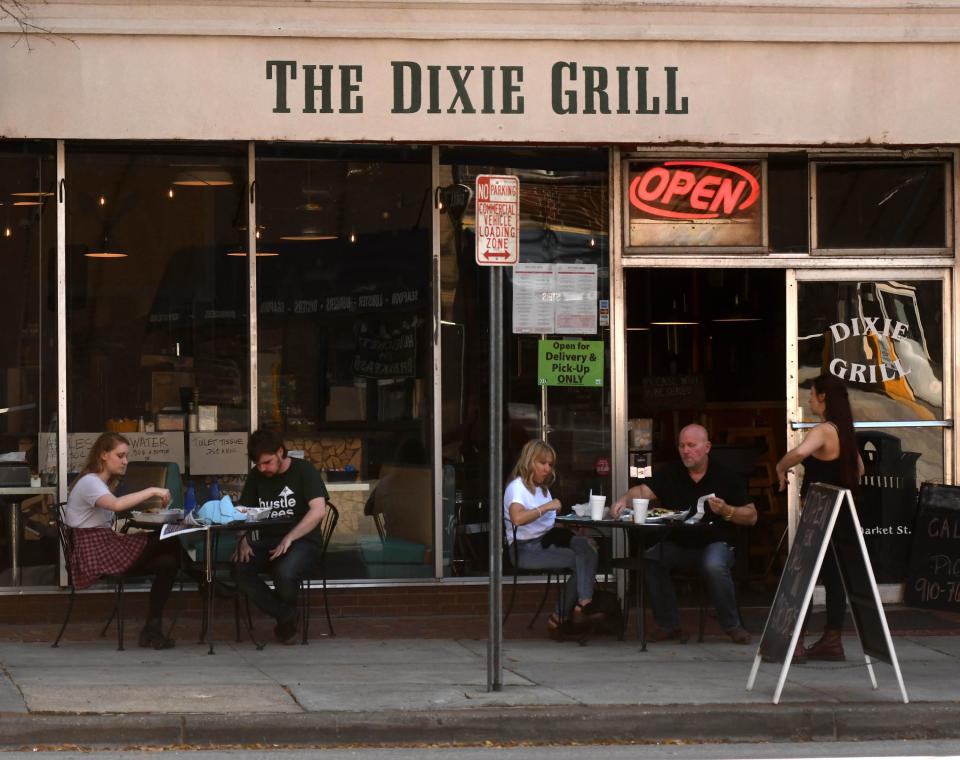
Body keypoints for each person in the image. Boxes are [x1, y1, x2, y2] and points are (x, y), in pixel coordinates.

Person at [611, 424, 757, 644]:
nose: (685, 451)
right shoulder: (671, 472)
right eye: (681, 445)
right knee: (652, 559)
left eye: (691, 445)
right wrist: (623, 500)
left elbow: (752, 516)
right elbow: (642, 491)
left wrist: (728, 510)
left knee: (714, 565)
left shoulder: (725, 475)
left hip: (716, 543)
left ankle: (732, 626)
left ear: (707, 447)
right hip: (679, 544)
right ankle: (668, 625)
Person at [64, 432, 184, 649]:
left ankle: (151, 630)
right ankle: (204, 580)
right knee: (167, 538)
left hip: (105, 545)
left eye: (126, 456)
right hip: (96, 554)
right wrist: (152, 490)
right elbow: (117, 505)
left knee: (169, 561)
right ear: (103, 455)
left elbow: (103, 521)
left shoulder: (98, 482)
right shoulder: (90, 482)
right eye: (120, 455)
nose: (125, 461)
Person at [776, 373, 864, 662]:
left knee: (803, 576)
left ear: (823, 397)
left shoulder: (824, 430)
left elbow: (798, 453)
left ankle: (795, 641)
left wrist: (779, 467)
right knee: (833, 578)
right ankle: (832, 639)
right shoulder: (845, 431)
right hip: (844, 515)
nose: (810, 400)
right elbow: (859, 469)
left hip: (821, 515)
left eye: (812, 394)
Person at [233, 429, 329, 644]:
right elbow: (243, 510)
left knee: (284, 572)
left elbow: (318, 510)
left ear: (280, 452)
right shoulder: (256, 475)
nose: (262, 468)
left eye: (267, 462)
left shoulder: (304, 470)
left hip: (304, 541)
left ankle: (286, 623)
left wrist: (290, 537)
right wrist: (243, 538)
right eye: (258, 464)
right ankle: (285, 615)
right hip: (267, 540)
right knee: (239, 568)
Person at [503, 439, 599, 639]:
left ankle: (582, 604)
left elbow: (547, 525)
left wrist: (572, 524)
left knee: (586, 548)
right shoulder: (517, 487)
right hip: (525, 549)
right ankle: (566, 613)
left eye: (550, 464)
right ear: (530, 462)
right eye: (542, 463)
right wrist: (546, 507)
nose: (547, 469)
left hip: (546, 541)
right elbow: (517, 518)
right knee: (582, 559)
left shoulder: (543, 490)